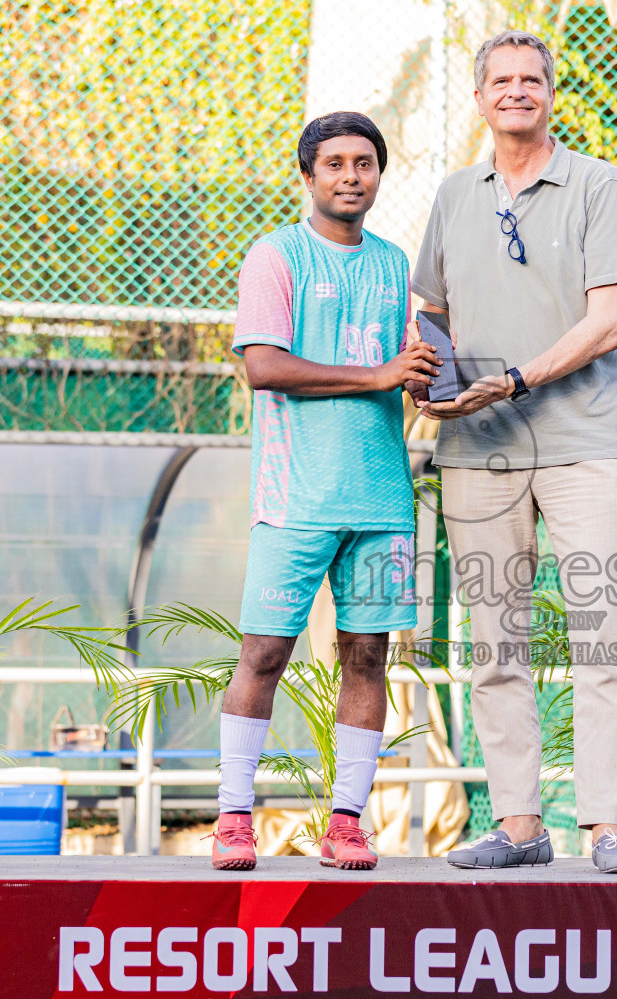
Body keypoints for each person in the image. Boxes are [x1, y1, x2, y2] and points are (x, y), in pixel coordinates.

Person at [409, 31, 617, 873]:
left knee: (602, 638)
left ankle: (607, 829)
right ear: (480, 99)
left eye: (531, 79)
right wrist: (426, 372)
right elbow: (431, 308)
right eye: (501, 81)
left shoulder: (595, 184)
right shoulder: (453, 195)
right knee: (494, 645)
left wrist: (511, 380)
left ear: (550, 94)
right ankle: (519, 828)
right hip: (479, 452)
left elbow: (610, 320)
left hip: (589, 448)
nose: (517, 91)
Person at [212, 111, 442, 872]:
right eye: (336, 163)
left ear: (379, 175)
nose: (351, 175)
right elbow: (265, 367)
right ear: (308, 176)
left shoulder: (393, 263)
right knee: (264, 653)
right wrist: (380, 375)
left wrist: (428, 375)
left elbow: (411, 367)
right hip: (295, 498)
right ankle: (233, 818)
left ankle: (346, 821)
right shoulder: (275, 256)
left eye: (365, 163)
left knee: (368, 658)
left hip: (381, 501)